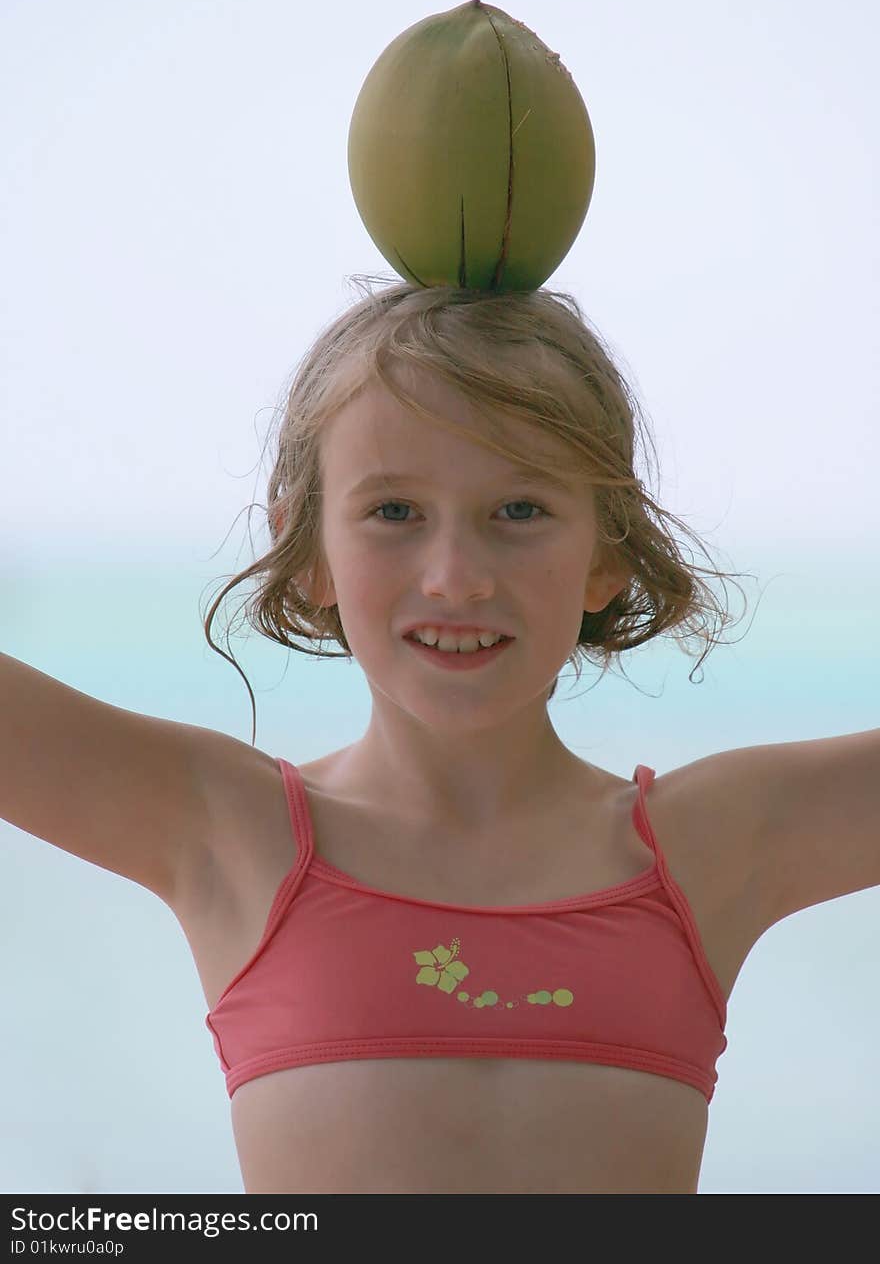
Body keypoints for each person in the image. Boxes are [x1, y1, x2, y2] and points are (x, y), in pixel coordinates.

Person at [3, 279, 878, 1194]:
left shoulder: (711, 845)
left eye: (520, 511)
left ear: (607, 554)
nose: (456, 577)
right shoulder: (230, 830)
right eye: (394, 512)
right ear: (309, 551)